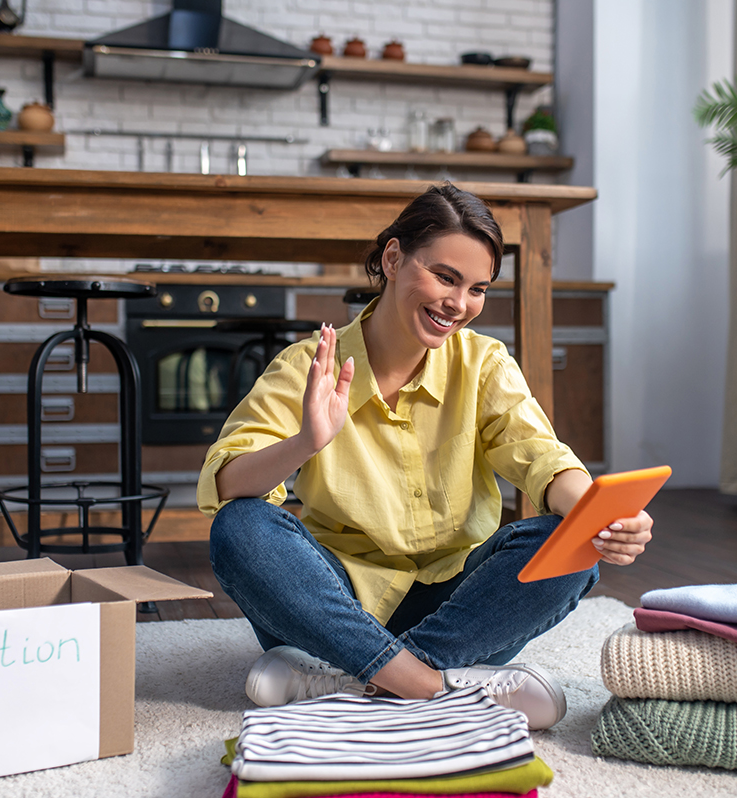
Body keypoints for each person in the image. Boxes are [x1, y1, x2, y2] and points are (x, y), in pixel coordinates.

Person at [197, 183, 653, 730]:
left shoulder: (484, 364)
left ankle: (354, 678)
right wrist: (305, 443)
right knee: (240, 527)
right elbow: (226, 485)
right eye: (445, 276)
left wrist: (599, 517)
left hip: (461, 608)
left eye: (477, 288)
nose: (459, 304)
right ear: (393, 258)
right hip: (337, 608)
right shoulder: (308, 366)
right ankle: (438, 685)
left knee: (568, 542)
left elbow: (542, 457)